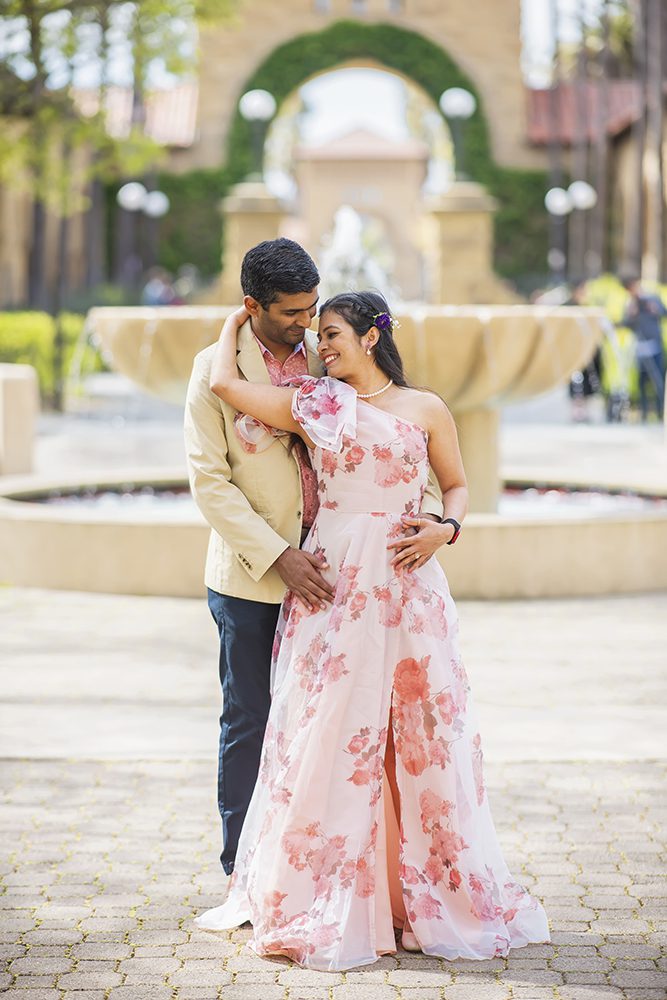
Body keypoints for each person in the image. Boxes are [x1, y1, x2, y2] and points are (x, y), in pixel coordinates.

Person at [194, 291, 550, 971]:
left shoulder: (425, 409)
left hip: (408, 590)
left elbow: (456, 486)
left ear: (371, 335)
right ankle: (331, 894)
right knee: (329, 732)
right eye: (317, 336)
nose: (321, 346)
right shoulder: (317, 402)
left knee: (416, 737)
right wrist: (236, 320)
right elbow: (223, 383)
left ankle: (416, 896)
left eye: (331, 334)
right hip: (333, 589)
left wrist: (446, 530)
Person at [183, 240, 443, 879]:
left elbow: (402, 444)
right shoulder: (213, 369)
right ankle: (245, 873)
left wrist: (437, 519)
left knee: (331, 725)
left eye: (312, 309)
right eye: (294, 312)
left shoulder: (333, 361)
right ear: (253, 306)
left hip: (340, 580)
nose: (307, 322)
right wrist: (279, 558)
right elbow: (209, 481)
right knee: (251, 720)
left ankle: (324, 870)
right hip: (255, 577)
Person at [621, 276, 666, 422]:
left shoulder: (652, 298)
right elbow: (626, 324)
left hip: (655, 344)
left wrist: (655, 309)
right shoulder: (629, 303)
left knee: (658, 379)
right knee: (642, 382)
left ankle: (660, 412)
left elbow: (664, 313)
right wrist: (631, 314)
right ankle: (644, 413)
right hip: (640, 346)